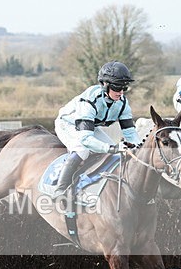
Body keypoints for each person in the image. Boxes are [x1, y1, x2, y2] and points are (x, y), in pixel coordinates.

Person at [53, 60, 140, 196]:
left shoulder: (122, 103)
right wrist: (112, 148)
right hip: (68, 124)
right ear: (105, 85)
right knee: (82, 150)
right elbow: (86, 139)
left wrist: (138, 148)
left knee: (116, 154)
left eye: (124, 88)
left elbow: (130, 133)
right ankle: (60, 189)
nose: (121, 92)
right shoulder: (89, 100)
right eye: (117, 87)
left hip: (90, 127)